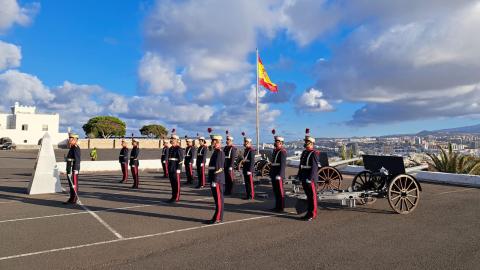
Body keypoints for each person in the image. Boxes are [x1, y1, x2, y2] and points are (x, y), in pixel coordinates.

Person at [297, 128, 319, 221]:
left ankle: (312, 214)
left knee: (312, 197)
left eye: (307, 142)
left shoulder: (314, 153)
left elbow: (314, 167)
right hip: (304, 176)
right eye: (305, 142)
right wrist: (299, 175)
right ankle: (308, 213)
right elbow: (301, 165)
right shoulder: (305, 152)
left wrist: (310, 178)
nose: (306, 144)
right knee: (308, 196)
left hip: (310, 178)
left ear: (312, 144)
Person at [205, 133, 225, 224]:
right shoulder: (216, 152)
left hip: (217, 179)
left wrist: (215, 179)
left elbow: (219, 168)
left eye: (213, 141)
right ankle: (217, 216)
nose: (212, 143)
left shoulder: (220, 152)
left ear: (217, 142)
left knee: (219, 199)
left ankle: (218, 217)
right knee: (217, 199)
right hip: (214, 178)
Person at [270, 129, 287, 212]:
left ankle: (281, 207)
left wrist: (280, 175)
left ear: (280, 143)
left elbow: (283, 165)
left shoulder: (282, 152)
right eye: (275, 141)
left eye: (276, 141)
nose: (275, 143)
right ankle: (277, 206)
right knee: (276, 191)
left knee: (280, 192)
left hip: (278, 174)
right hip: (274, 173)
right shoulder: (275, 151)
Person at [63, 133, 81, 204]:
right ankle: (71, 198)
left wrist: (75, 169)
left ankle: (74, 199)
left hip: (73, 169)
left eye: (70, 138)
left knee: (74, 184)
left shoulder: (76, 147)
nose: (69, 139)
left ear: (74, 139)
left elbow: (77, 159)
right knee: (71, 184)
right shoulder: (72, 147)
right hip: (69, 168)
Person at [167, 134, 184, 202]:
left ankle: (176, 197)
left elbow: (180, 159)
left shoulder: (179, 148)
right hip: (171, 167)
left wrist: (179, 169)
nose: (171, 140)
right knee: (172, 183)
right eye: (171, 139)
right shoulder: (171, 148)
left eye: (173, 139)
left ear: (177, 140)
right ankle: (173, 196)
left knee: (176, 183)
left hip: (176, 168)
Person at [241, 135, 255, 200]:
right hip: (245, 168)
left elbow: (252, 161)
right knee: (246, 183)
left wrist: (250, 170)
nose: (245, 143)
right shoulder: (246, 150)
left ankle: (251, 195)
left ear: (249, 142)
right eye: (245, 142)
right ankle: (247, 195)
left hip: (249, 169)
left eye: (246, 142)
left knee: (250, 183)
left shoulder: (251, 150)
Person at [223, 131, 237, 195]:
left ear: (231, 141)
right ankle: (226, 190)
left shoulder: (233, 148)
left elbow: (233, 158)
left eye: (228, 140)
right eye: (227, 140)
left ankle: (230, 191)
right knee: (226, 179)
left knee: (230, 179)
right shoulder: (225, 147)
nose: (227, 141)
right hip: (225, 165)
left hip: (229, 165)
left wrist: (231, 166)